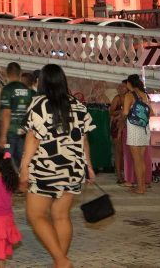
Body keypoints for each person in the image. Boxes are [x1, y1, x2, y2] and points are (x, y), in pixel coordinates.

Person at [19, 64, 95, 268]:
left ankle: (61, 260)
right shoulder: (78, 105)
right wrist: (89, 166)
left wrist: (24, 168)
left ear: (42, 82)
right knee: (61, 216)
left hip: (47, 168)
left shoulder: (39, 104)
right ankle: (60, 261)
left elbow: (33, 139)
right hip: (74, 169)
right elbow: (84, 139)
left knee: (36, 215)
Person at [0, 62, 35, 168]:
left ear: (7, 73)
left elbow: (6, 114)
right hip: (24, 132)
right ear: (20, 73)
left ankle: (10, 177)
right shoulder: (27, 90)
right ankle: (21, 176)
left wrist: (3, 136)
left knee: (6, 159)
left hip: (10, 133)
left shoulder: (7, 90)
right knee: (21, 161)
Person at [123, 74, 152, 194]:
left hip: (134, 128)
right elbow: (151, 112)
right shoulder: (145, 95)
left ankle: (140, 188)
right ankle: (142, 186)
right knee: (141, 160)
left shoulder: (129, 95)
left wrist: (121, 119)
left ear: (129, 83)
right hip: (145, 128)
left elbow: (125, 112)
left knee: (137, 160)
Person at [108, 80, 129, 184]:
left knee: (126, 151)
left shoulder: (130, 97)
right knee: (118, 150)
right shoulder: (117, 98)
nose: (120, 89)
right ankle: (119, 174)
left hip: (127, 126)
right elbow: (111, 112)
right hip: (117, 127)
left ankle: (126, 172)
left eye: (123, 87)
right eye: (119, 87)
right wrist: (121, 111)